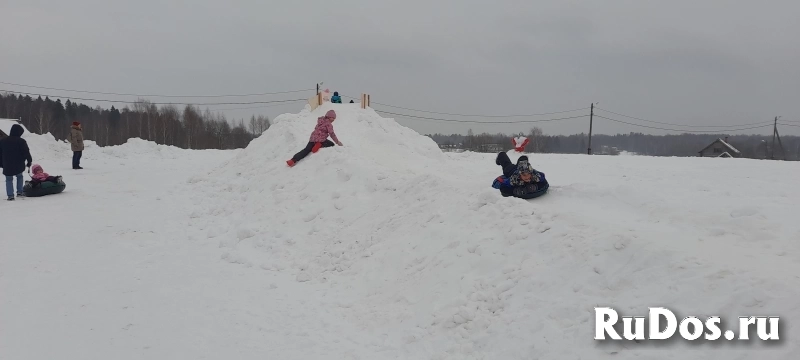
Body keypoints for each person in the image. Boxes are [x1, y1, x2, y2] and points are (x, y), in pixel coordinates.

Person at [0, 124, 33, 201]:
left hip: (7, 164)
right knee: (19, 177)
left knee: (8, 179)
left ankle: (10, 195)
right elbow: (26, 152)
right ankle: (19, 192)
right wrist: (29, 161)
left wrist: (1, 164)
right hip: (19, 163)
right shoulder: (21, 141)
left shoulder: (2, 141)